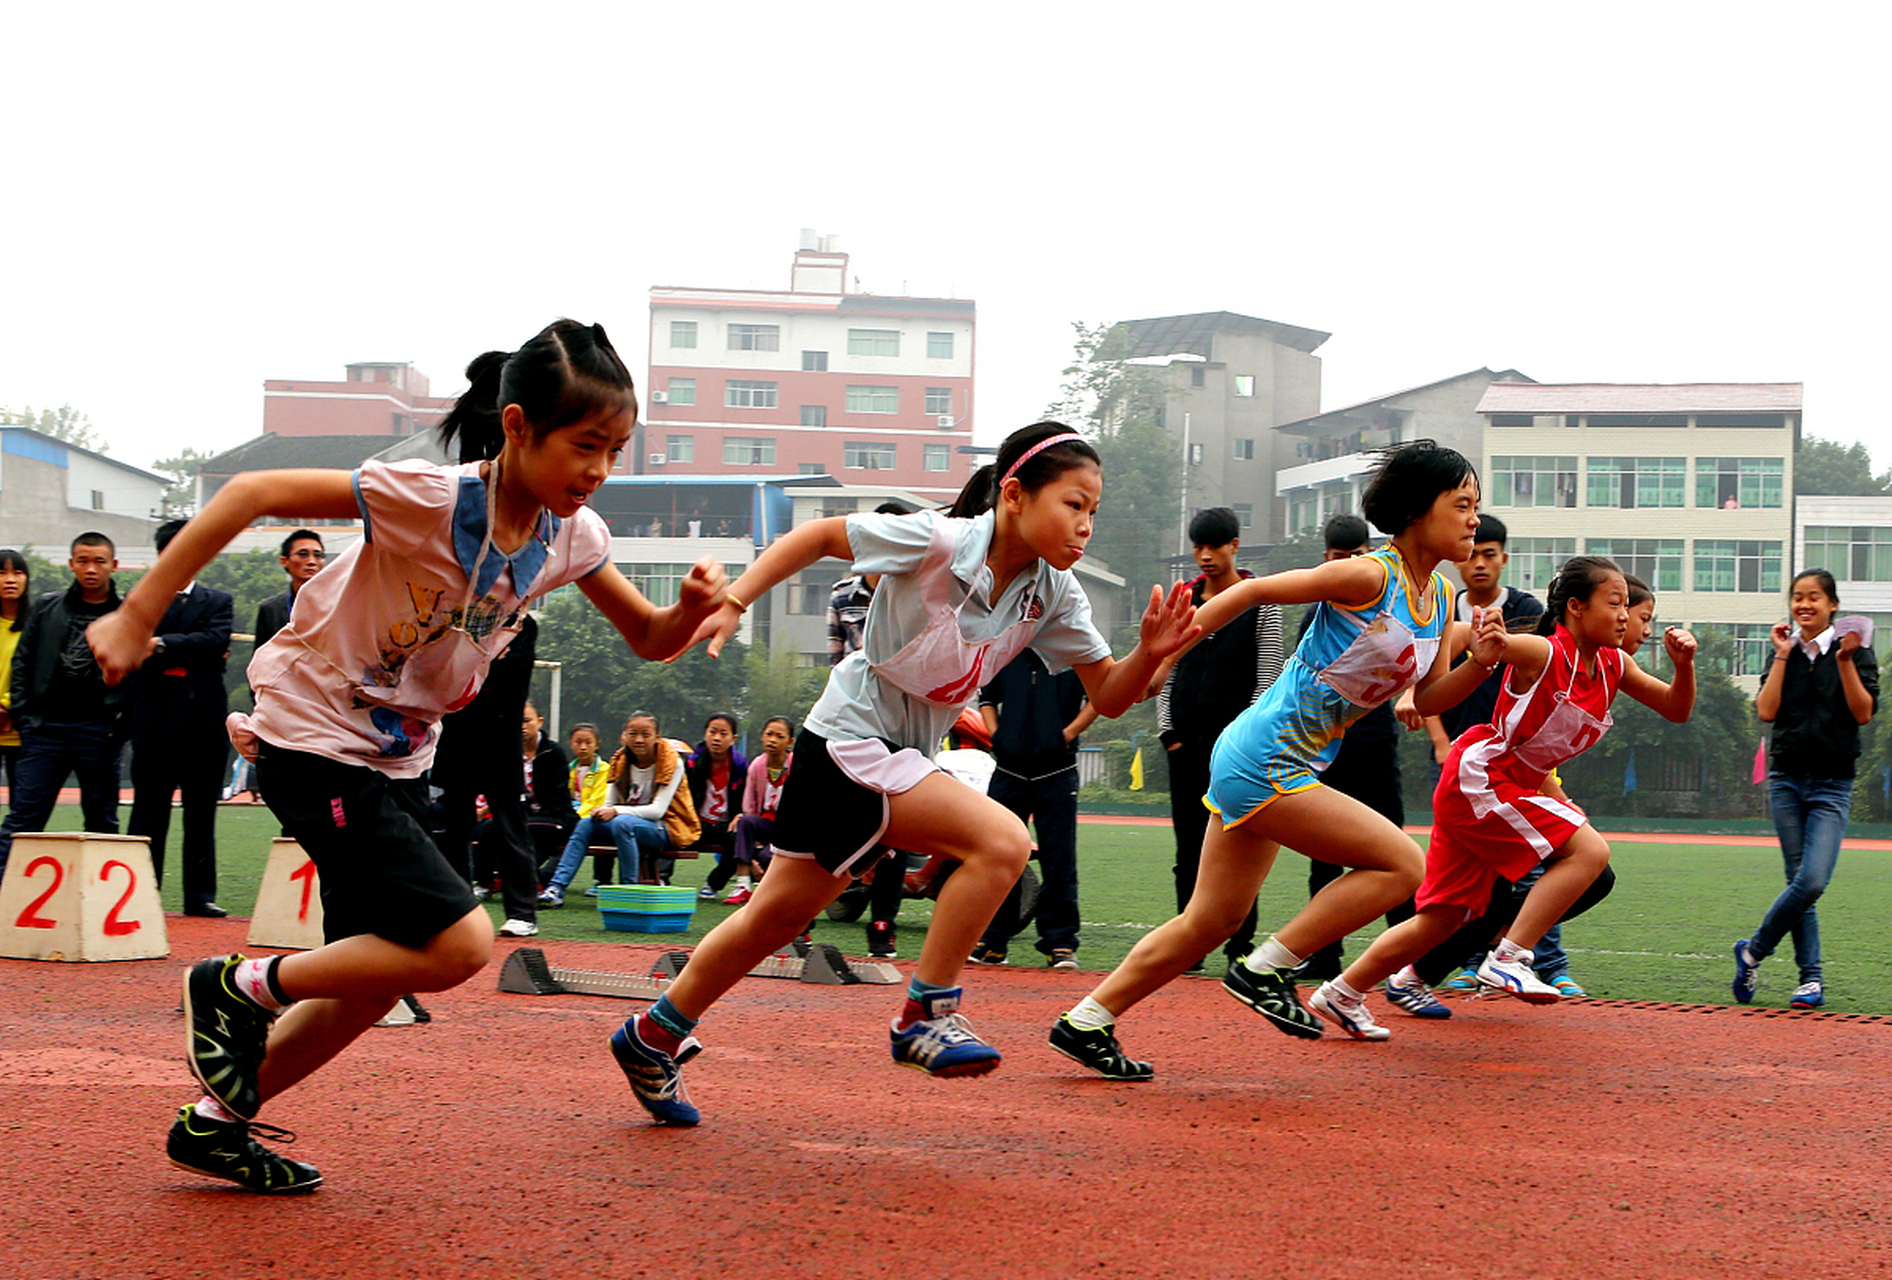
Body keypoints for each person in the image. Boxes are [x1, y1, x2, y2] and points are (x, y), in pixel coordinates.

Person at [85, 319, 726, 1194]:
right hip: (312, 734)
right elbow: (250, 493)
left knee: (372, 978)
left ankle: (216, 1125)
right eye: (585, 446)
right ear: (516, 426)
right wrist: (135, 615)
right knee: (460, 944)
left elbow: (651, 641)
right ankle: (236, 985)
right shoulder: (425, 497)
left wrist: (690, 612)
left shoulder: (572, 537)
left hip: (392, 756)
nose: (599, 472)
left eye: (615, 451)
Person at [608, 421, 1200, 1126]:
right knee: (1003, 842)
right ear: (1015, 494)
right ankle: (927, 1014)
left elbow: (1107, 693)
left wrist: (1151, 657)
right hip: (851, 739)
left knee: (774, 917)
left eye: (1094, 511)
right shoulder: (937, 541)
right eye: (1074, 504)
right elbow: (818, 536)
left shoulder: (1055, 593)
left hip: (891, 753)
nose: (1086, 525)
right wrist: (736, 601)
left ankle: (651, 1035)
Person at [1052, 440, 1495, 1081]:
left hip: (1286, 761)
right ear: (1418, 512)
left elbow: (1428, 696)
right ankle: (1266, 968)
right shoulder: (1371, 575)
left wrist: (1479, 661)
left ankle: (1086, 1021)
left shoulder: (1442, 599)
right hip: (1264, 755)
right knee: (1402, 863)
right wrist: (1164, 655)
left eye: (1475, 506)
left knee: (1210, 920)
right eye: (1462, 505)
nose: (1474, 519)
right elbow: (1252, 592)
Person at [1305, 556, 1697, 1040]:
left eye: (1628, 607)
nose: (1624, 615)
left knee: (1446, 917)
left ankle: (1342, 991)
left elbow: (1676, 709)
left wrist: (1683, 667)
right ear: (1575, 607)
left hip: (1495, 784)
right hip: (1483, 777)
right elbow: (1486, 642)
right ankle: (1510, 958)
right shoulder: (1544, 651)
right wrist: (1478, 643)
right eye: (1614, 603)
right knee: (1591, 852)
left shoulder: (1616, 665)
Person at [1734, 568, 1879, 1010]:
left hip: (1833, 783)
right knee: (1799, 880)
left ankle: (1754, 950)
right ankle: (1810, 980)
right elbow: (1765, 710)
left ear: (1832, 604)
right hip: (1787, 780)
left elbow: (1863, 713)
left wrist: (1845, 663)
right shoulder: (1786, 652)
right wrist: (1780, 655)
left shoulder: (1857, 652)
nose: (1804, 605)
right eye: (1797, 597)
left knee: (1811, 880)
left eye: (1814, 597)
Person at [1155, 507, 1285, 970]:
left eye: (1215, 546)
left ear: (1234, 546)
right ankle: (1186, 948)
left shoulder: (1259, 601)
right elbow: (1165, 668)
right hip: (1184, 745)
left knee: (1239, 845)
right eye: (1198, 547)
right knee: (1187, 847)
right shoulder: (1185, 601)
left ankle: (1239, 946)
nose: (1205, 556)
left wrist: (1243, 737)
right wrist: (1168, 733)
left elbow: (1268, 673)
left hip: (1237, 751)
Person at [1298, 514, 1411, 984]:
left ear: (1369, 553)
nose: (1347, 566)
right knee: (1324, 856)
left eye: (1355, 556)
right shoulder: (1316, 613)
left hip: (1374, 740)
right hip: (1327, 745)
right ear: (1326, 560)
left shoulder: (1388, 606)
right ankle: (1322, 955)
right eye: (1337, 558)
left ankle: (1405, 960)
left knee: (1396, 850)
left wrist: (1409, 694)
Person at [0, 533, 129, 876]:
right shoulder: (46, 606)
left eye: (99, 562)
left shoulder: (128, 612)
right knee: (23, 818)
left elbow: (138, 673)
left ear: (113, 566)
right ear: (71, 564)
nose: (91, 569)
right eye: (83, 561)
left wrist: (120, 725)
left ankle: (104, 901)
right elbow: (23, 662)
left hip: (100, 731)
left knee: (102, 820)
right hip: (45, 730)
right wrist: (26, 715)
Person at [126, 519, 235, 917]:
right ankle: (140, 892)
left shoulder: (218, 600)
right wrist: (185, 648)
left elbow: (216, 641)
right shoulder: (139, 600)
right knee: (149, 809)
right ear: (161, 556)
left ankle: (200, 896)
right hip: (154, 719)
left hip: (204, 721)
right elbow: (134, 644)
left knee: (201, 810)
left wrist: (159, 645)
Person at [965, 647, 1097, 969]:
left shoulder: (1075, 649)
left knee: (1059, 858)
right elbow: (987, 697)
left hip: (1057, 771)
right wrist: (998, 736)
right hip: (1008, 770)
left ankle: (1060, 944)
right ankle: (992, 939)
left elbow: (1100, 698)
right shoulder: (1006, 650)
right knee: (999, 854)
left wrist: (1066, 734)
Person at [828, 500, 919, 946]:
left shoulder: (919, 592)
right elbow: (834, 657)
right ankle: (797, 922)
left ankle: (883, 922)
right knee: (837, 823)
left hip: (900, 724)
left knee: (896, 823)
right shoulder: (842, 595)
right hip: (848, 722)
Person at [436, 614, 543, 937]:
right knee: (455, 828)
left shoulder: (523, 625)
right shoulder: (457, 617)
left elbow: (511, 674)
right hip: (457, 736)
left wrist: (474, 665)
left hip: (500, 739)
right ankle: (458, 913)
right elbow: (442, 671)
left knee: (511, 825)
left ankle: (522, 913)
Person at [540, 710, 701, 904]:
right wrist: (600, 812)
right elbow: (609, 803)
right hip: (626, 824)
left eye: (645, 734)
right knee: (585, 824)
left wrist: (615, 811)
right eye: (633, 734)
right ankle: (555, 889)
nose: (639, 740)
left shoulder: (671, 762)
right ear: (625, 735)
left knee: (622, 823)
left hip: (665, 827)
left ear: (657, 737)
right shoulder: (620, 760)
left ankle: (628, 890)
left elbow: (657, 810)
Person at [728, 716, 794, 904]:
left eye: (779, 737)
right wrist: (752, 856)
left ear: (790, 742)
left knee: (767, 857)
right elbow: (750, 805)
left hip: (790, 828)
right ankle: (742, 885)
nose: (772, 740)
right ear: (762, 737)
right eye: (769, 734)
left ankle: (775, 894)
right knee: (745, 821)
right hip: (766, 823)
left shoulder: (797, 766)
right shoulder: (757, 765)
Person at [687, 712, 750, 901]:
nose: (717, 738)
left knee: (740, 841)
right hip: (696, 823)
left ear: (733, 738)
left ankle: (713, 884)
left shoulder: (740, 766)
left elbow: (746, 797)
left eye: (723, 733)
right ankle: (661, 879)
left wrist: (739, 815)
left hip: (725, 823)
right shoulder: (692, 763)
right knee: (669, 834)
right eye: (713, 732)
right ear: (705, 733)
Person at [252, 529, 326, 653]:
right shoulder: (271, 609)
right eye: (303, 554)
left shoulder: (338, 605)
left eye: (318, 555)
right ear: (284, 561)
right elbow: (262, 658)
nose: (311, 562)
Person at [0, 549, 33, 802]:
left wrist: (8, 705)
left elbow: (41, 672)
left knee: (22, 809)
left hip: (24, 730)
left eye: (17, 572)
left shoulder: (38, 622)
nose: (10, 579)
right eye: (1, 573)